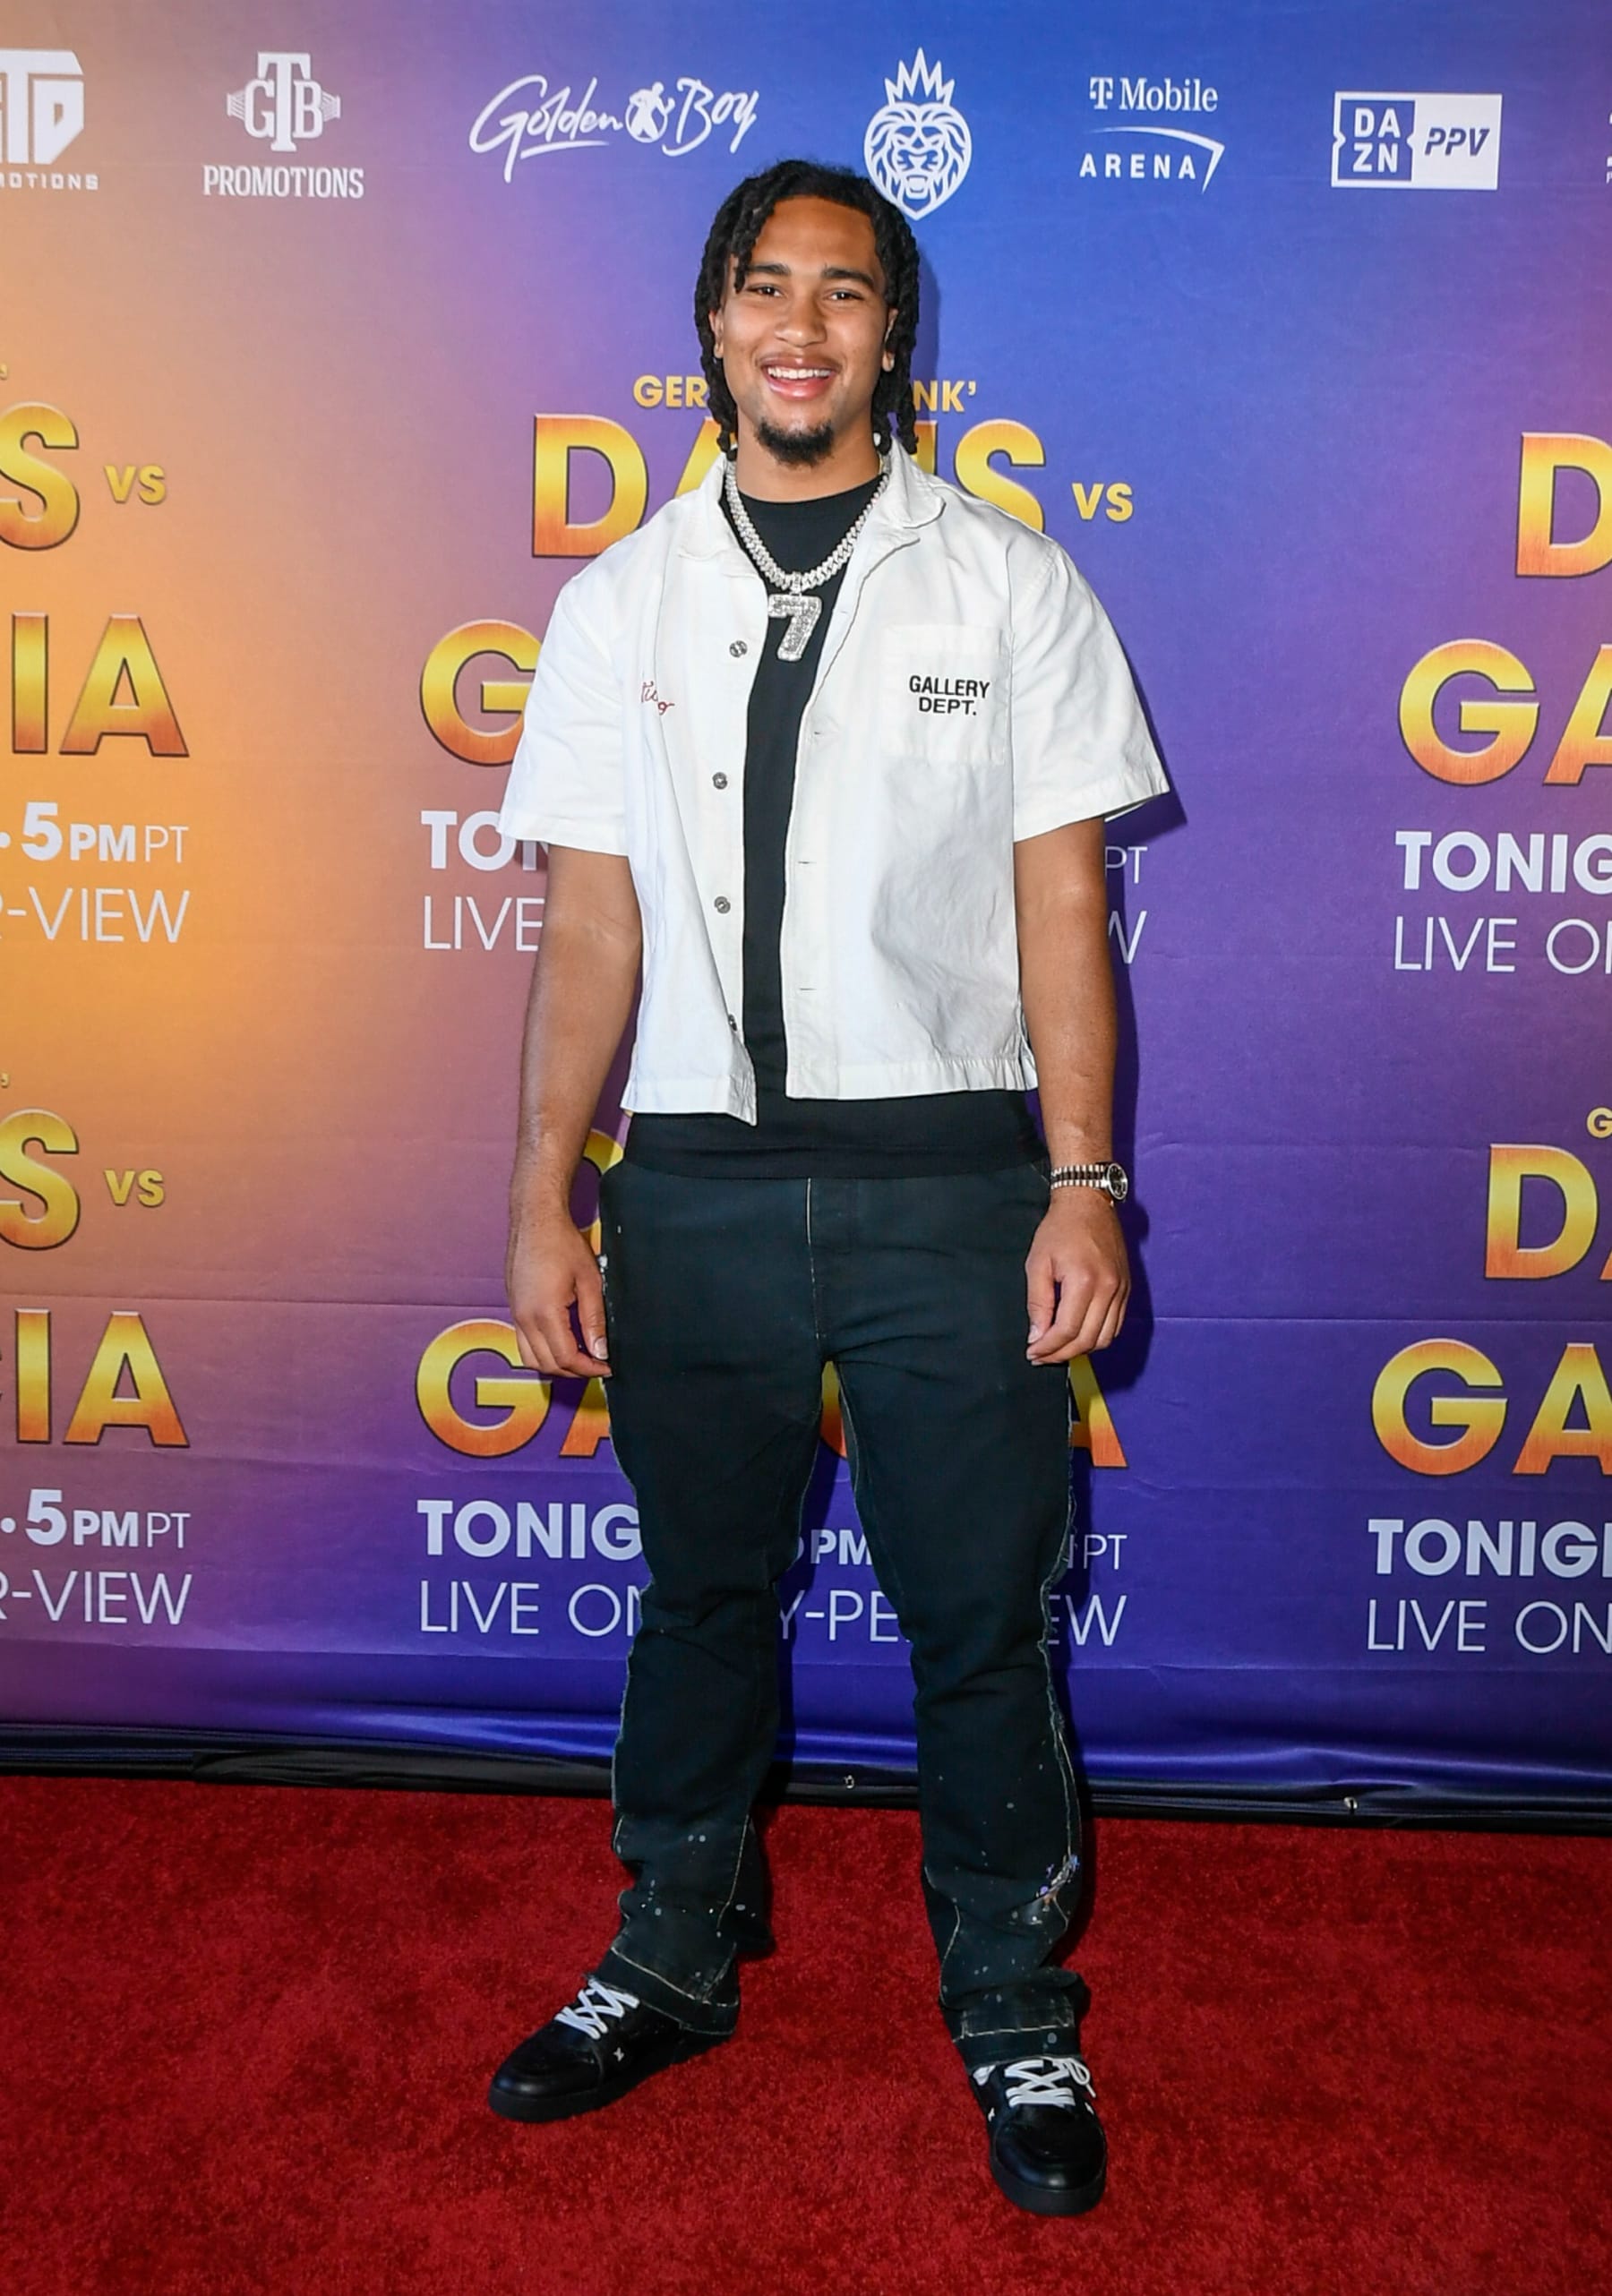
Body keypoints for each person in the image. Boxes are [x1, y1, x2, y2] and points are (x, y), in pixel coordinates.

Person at [488, 158, 1165, 2218]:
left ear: (895, 338)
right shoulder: (619, 602)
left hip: (954, 1184)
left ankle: (1012, 2000)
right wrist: (544, 1192)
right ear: (712, 327)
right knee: (699, 1602)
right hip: (690, 1187)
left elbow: (1067, 911)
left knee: (981, 1624)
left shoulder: (1010, 581)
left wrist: (1083, 1181)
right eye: (765, 289)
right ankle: (672, 1949)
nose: (803, 327)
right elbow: (589, 934)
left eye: (845, 295)